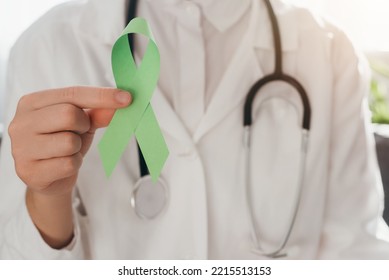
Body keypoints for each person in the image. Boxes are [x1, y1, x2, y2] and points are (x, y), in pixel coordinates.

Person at [1, 0, 389, 259]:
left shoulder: (329, 50)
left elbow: (355, 250)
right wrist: (46, 199)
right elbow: (14, 259)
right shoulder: (49, 47)